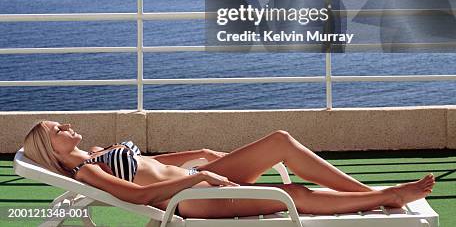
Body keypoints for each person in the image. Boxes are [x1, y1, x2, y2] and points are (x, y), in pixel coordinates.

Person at [23, 122, 434, 218]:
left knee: (280, 141)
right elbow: (137, 196)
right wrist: (200, 177)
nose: (63, 125)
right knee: (290, 198)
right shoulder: (86, 172)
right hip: (190, 200)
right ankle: (388, 197)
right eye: (55, 129)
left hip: (201, 180)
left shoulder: (96, 152)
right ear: (51, 149)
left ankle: (368, 188)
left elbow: (150, 165)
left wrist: (199, 155)